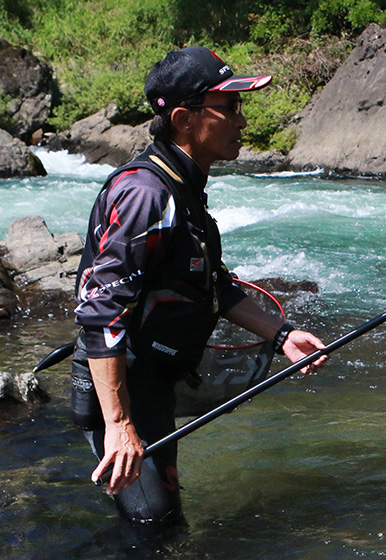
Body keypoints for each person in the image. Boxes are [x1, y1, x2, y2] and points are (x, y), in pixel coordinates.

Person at [71, 46, 328, 525]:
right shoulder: (146, 195)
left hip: (150, 384)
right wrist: (120, 426)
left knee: (159, 523)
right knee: (155, 528)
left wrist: (281, 334)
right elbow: (102, 314)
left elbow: (215, 285)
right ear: (186, 118)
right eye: (230, 108)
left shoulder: (184, 189)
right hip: (123, 391)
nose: (242, 121)